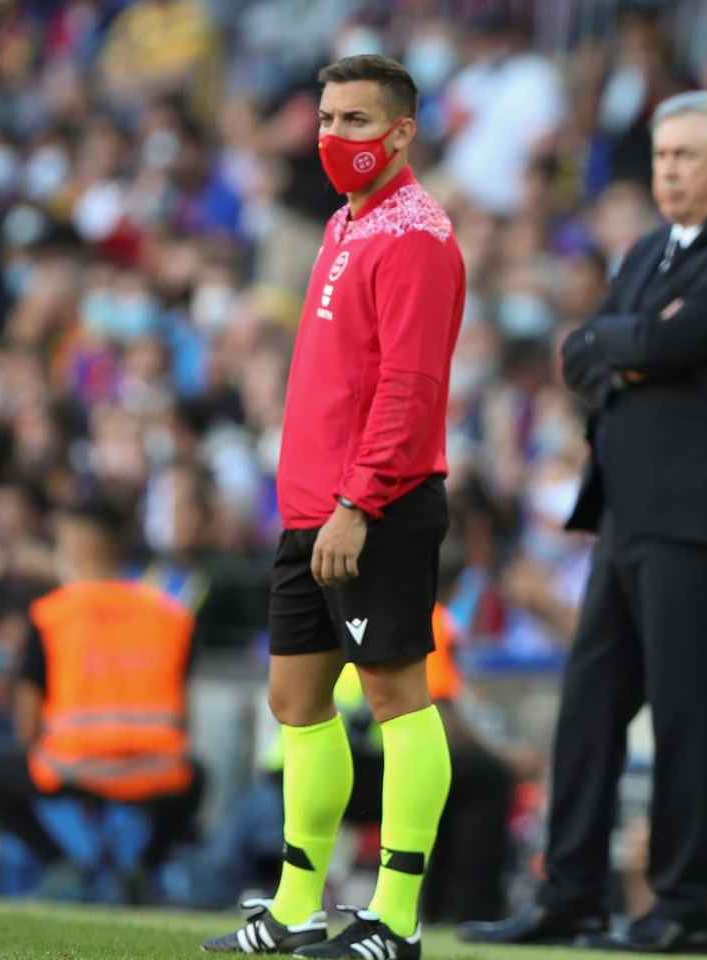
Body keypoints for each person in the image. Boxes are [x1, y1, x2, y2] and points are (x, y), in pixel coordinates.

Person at [460, 90, 707, 953]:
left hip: (696, 520)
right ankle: (569, 893)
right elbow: (587, 352)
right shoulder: (646, 252)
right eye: (661, 155)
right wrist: (627, 343)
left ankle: (682, 907)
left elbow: (651, 348)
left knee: (681, 714)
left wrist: (627, 344)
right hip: (626, 514)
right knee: (589, 710)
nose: (668, 169)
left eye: (686, 154)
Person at [202, 55, 465, 960]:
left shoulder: (418, 235)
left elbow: (411, 384)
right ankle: (297, 906)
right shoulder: (342, 225)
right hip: (313, 507)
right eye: (325, 119)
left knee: (396, 697)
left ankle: (396, 917)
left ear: (401, 133)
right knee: (296, 701)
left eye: (356, 121)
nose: (334, 137)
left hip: (375, 506)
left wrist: (359, 500)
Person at [0, 499, 202, 892]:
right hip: (156, 774)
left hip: (70, 767)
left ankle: (61, 864)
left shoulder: (51, 616)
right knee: (197, 778)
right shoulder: (171, 616)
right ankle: (142, 867)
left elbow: (27, 727)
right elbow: (186, 720)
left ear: (78, 547)